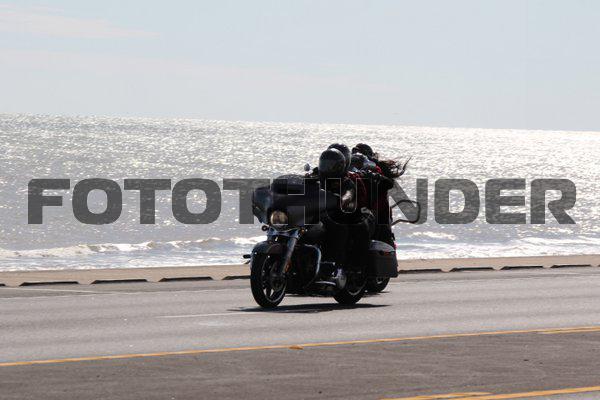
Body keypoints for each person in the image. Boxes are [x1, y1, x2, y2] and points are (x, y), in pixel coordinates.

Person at [315, 148, 374, 271]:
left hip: (341, 214)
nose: (327, 168)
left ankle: (336, 266)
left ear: (340, 166)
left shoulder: (347, 181)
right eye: (324, 164)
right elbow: (301, 187)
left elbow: (349, 193)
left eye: (331, 165)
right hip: (319, 213)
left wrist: (342, 200)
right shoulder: (314, 178)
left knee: (339, 229)